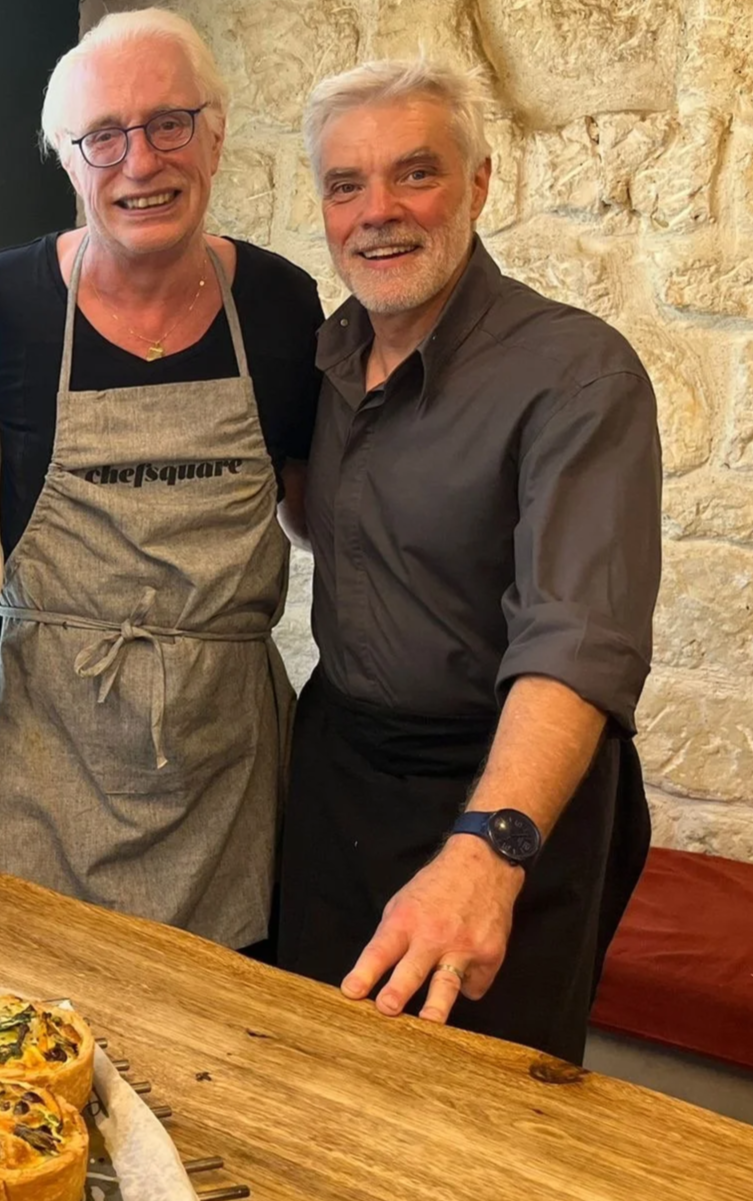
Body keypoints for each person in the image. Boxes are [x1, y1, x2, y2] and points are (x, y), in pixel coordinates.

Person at [276, 58, 661, 1064]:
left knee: (478, 1124)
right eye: (345, 183)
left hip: (507, 788)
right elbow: (342, 525)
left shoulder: (576, 373)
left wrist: (491, 847)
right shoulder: (324, 355)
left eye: (416, 174)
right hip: (342, 772)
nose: (378, 212)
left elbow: (577, 639)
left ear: (480, 183)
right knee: (315, 1073)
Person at [0, 8, 323, 947]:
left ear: (217, 133)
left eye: (169, 124)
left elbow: (320, 506)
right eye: (102, 138)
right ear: (65, 160)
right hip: (51, 748)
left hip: (226, 764)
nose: (140, 163)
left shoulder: (281, 306)